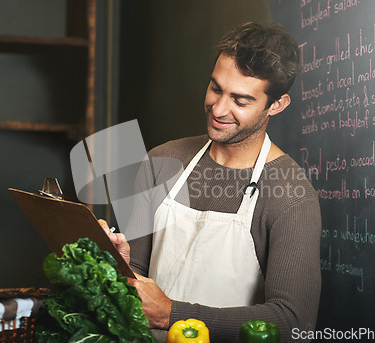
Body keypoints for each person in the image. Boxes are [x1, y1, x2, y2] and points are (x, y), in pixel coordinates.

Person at [99, 22, 321, 342]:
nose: (218, 109)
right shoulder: (162, 162)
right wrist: (121, 267)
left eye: (240, 101)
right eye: (216, 88)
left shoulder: (291, 196)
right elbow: (139, 279)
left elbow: (292, 321)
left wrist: (171, 313)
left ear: (276, 105)